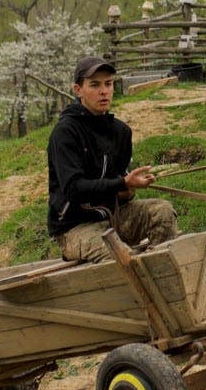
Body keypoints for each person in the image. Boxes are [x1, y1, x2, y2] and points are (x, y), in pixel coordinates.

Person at [47, 56, 179, 262]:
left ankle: (161, 268)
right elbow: (74, 188)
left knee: (162, 211)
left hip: (115, 218)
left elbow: (120, 187)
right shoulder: (65, 132)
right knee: (122, 257)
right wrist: (122, 183)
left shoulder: (121, 132)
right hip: (75, 229)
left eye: (108, 84)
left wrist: (127, 192)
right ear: (78, 90)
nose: (103, 91)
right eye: (94, 85)